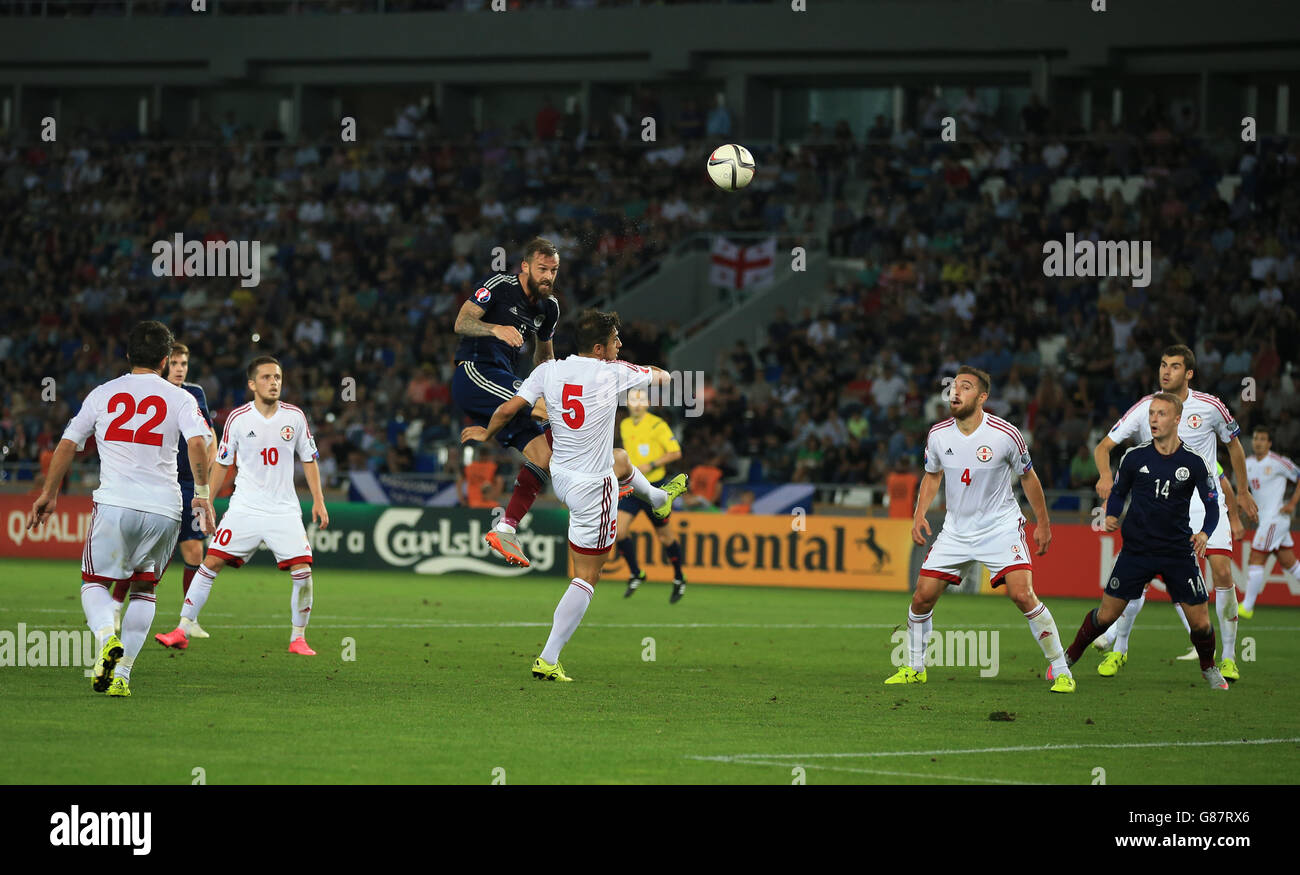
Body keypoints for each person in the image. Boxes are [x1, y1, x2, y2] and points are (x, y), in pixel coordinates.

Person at [461, 309, 688, 682]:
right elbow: (661, 376)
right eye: (615, 340)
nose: (620, 345)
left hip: (562, 477)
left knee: (620, 458)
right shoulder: (614, 373)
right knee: (587, 577)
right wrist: (658, 373)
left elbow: (507, 409)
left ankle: (658, 500)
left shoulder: (548, 371)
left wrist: (486, 435)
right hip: (591, 489)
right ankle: (548, 658)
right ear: (599, 348)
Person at [27, 320, 215, 698]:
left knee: (94, 582)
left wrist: (50, 492)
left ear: (128, 355)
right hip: (164, 508)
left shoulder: (103, 393)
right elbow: (197, 442)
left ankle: (105, 638)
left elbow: (68, 444)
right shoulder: (181, 398)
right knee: (145, 590)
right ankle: (123, 674)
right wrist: (203, 491)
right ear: (165, 360)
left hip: (115, 502)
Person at [885, 366, 1074, 692]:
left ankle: (1061, 670)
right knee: (921, 597)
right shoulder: (938, 434)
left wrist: (1043, 523)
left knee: (1022, 594)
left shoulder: (1005, 435)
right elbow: (932, 475)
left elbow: (1029, 477)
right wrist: (919, 515)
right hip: (956, 530)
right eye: (954, 387)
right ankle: (915, 668)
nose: (955, 393)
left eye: (966, 388)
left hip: (999, 528)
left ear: (982, 397)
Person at [1091, 345, 1257, 679]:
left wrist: (1241, 492)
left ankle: (1228, 657)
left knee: (1223, 572)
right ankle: (1119, 649)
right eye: (1163, 365)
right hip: (1160, 505)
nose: (1166, 372)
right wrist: (1106, 474)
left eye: (1175, 366)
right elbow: (1104, 446)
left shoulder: (1210, 406)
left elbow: (1234, 446)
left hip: (1205, 503)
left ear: (1189, 373)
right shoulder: (1146, 407)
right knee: (1138, 580)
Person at [154, 356, 329, 656]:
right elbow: (222, 463)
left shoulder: (295, 417)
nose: (273, 382)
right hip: (244, 509)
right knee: (210, 564)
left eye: (277, 377)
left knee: (303, 571)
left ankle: (298, 637)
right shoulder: (238, 418)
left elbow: (309, 460)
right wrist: (206, 498)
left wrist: (319, 501)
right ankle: (182, 629)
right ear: (252, 384)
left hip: (283, 510)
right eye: (266, 377)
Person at [1059, 393, 1228, 690]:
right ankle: (1066, 659)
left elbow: (1213, 505)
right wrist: (1112, 515)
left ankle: (1209, 667)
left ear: (1177, 419)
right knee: (1105, 615)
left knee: (1201, 623)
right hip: (1136, 550)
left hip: (1178, 552)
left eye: (1161, 414)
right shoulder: (1135, 457)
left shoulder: (1195, 462)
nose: (1153, 419)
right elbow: (1120, 492)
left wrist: (1204, 533)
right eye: (1151, 413)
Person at [451, 237, 561, 567]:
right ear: (525, 267)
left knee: (545, 456)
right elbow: (462, 322)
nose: (548, 277)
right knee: (549, 410)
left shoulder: (549, 308)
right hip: (475, 373)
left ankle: (506, 529)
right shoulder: (499, 284)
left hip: (505, 384)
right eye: (542, 269)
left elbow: (545, 360)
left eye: (554, 271)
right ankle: (606, 476)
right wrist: (496, 328)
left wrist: (553, 386)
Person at [110, 342, 215, 636]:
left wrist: (206, 479)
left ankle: (188, 619)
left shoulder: (195, 394)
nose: (180, 369)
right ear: (165, 364)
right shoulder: (153, 393)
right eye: (176, 363)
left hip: (187, 483)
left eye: (184, 364)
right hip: (157, 481)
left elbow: (207, 435)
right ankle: (117, 605)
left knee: (195, 550)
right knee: (142, 552)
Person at [616, 387, 687, 602]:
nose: (636, 404)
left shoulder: (657, 424)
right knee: (618, 532)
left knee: (665, 537)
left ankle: (678, 577)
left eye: (640, 400)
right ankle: (637, 572)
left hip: (655, 486)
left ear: (647, 403)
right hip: (631, 486)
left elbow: (676, 452)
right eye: (632, 400)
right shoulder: (625, 424)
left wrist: (652, 464)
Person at [1241, 425, 1300, 617]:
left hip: (1275, 520)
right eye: (1256, 438)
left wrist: (1292, 503)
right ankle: (1248, 606)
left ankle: (1247, 607)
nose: (1258, 442)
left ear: (1269, 443)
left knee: (1256, 557)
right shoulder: (1247, 463)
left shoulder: (1277, 462)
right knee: (1290, 563)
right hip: (1265, 520)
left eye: (1262, 439)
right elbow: (1247, 492)